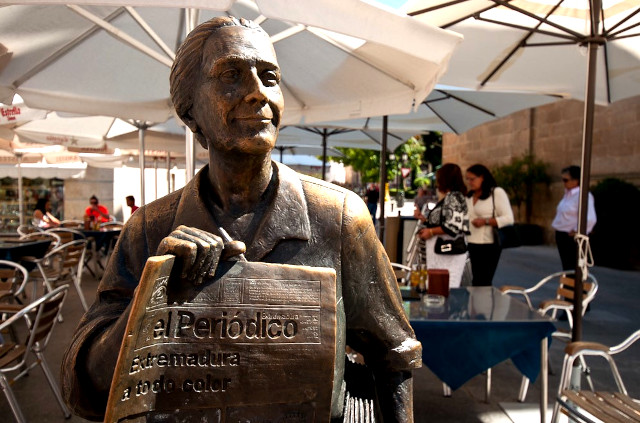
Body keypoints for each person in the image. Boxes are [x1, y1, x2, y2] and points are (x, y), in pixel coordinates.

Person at [61, 17, 420, 422]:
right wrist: (153, 300)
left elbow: (393, 356)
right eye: (231, 75)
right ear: (190, 110)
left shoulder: (338, 219)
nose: (256, 93)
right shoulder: (149, 228)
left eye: (269, 76)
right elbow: (83, 389)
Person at [417, 163, 470, 288]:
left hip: (447, 253)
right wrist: (425, 220)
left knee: (444, 287)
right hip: (442, 253)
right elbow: (444, 221)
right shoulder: (452, 197)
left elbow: (453, 227)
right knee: (439, 286)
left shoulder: (454, 197)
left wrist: (430, 232)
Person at [465, 164, 514, 286]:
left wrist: (485, 221)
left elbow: (509, 219)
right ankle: (476, 304)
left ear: (482, 177)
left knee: (483, 281)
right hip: (471, 242)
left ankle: (484, 304)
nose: (470, 182)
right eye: (468, 179)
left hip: (488, 244)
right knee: (474, 280)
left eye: (472, 179)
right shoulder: (469, 196)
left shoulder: (496, 193)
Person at [551, 165, 597, 271]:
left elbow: (590, 218)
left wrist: (577, 230)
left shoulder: (583, 195)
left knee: (575, 269)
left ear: (576, 180)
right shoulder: (568, 195)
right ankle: (568, 286)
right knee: (567, 268)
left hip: (571, 237)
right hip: (561, 235)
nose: (563, 183)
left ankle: (577, 287)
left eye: (566, 180)